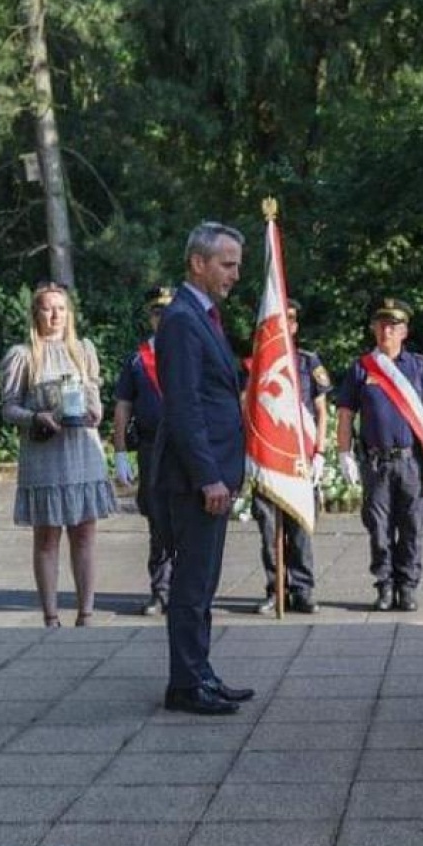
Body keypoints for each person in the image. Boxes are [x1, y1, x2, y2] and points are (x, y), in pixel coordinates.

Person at [152, 221, 257, 715]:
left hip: (213, 472)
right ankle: (187, 684)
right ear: (198, 263)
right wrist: (208, 476)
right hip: (198, 479)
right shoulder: (180, 320)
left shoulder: (203, 316)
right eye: (227, 263)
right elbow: (184, 406)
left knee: (203, 582)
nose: (235, 274)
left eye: (237, 264)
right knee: (192, 585)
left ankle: (199, 672)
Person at [0, 283, 117, 627]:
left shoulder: (83, 350)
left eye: (61, 309)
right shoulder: (22, 355)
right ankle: (50, 616)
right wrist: (37, 417)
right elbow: (9, 407)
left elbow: (94, 394)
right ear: (36, 313)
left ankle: (86, 613)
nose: (55, 316)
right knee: (47, 536)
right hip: (45, 455)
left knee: (84, 534)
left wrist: (96, 412)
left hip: (83, 450)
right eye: (48, 309)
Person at [333, 298, 423, 612]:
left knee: (412, 525)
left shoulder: (420, 366)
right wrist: (344, 453)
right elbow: (345, 414)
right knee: (379, 528)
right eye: (382, 325)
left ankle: (407, 586)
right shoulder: (361, 368)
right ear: (373, 329)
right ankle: (384, 586)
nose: (387, 330)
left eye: (393, 326)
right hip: (376, 462)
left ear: (404, 331)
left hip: (411, 461)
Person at [252, 299, 331, 615]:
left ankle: (302, 589)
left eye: (290, 321)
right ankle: (276, 589)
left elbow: (322, 411)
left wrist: (320, 453)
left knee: (300, 531)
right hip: (269, 460)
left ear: (295, 326)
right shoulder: (259, 364)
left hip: (300, 460)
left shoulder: (308, 362)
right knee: (269, 531)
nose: (284, 327)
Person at [112, 285, 175, 616]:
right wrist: (120, 450)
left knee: (188, 521)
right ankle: (161, 590)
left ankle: (188, 591)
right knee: (157, 519)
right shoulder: (138, 359)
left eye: (167, 311)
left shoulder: (191, 351)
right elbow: (123, 406)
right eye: (156, 312)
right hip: (152, 449)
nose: (162, 318)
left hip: (187, 449)